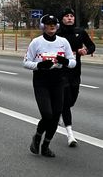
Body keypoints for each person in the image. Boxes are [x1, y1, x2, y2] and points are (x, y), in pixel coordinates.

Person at [23, 14, 76, 157]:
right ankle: (37, 136)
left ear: (57, 26)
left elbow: (73, 62)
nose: (51, 26)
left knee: (56, 114)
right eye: (48, 23)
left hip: (58, 81)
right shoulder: (36, 42)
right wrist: (39, 65)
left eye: (54, 23)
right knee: (47, 114)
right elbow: (26, 63)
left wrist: (65, 62)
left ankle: (46, 145)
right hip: (41, 82)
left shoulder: (63, 42)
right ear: (43, 26)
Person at [57, 8, 96, 147]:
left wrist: (85, 50)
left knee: (72, 100)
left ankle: (61, 111)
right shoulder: (57, 33)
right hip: (61, 72)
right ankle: (70, 135)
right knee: (66, 102)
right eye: (66, 16)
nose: (69, 18)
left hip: (75, 72)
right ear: (62, 19)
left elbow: (92, 46)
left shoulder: (80, 32)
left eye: (71, 16)